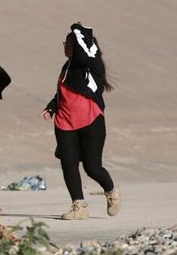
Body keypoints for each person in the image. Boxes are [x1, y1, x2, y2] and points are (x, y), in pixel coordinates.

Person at [42, 23, 121, 220]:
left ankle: (111, 191)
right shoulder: (66, 66)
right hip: (64, 123)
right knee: (68, 164)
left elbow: (85, 54)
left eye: (67, 43)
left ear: (77, 46)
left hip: (91, 121)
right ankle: (79, 206)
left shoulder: (91, 66)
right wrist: (52, 106)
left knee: (92, 168)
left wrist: (79, 30)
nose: (64, 47)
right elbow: (64, 92)